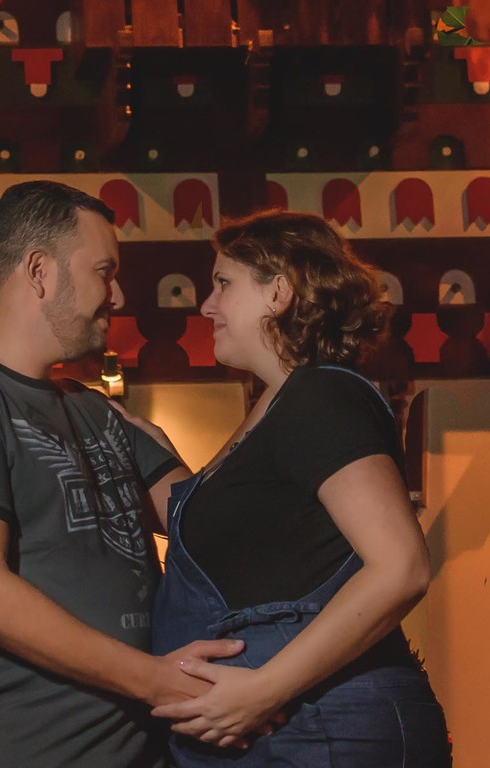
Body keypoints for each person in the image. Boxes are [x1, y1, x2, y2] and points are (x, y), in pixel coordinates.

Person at [0, 180, 242, 768]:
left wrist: (278, 381)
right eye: (104, 270)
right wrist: (153, 681)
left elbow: (211, 528)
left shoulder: (96, 409)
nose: (118, 293)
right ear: (38, 271)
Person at [142, 209, 451, 766]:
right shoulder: (276, 405)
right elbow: (221, 535)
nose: (206, 306)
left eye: (223, 284)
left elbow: (402, 566)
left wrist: (262, 691)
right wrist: (138, 444)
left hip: (327, 726)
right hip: (299, 730)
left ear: (278, 291)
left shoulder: (321, 397)